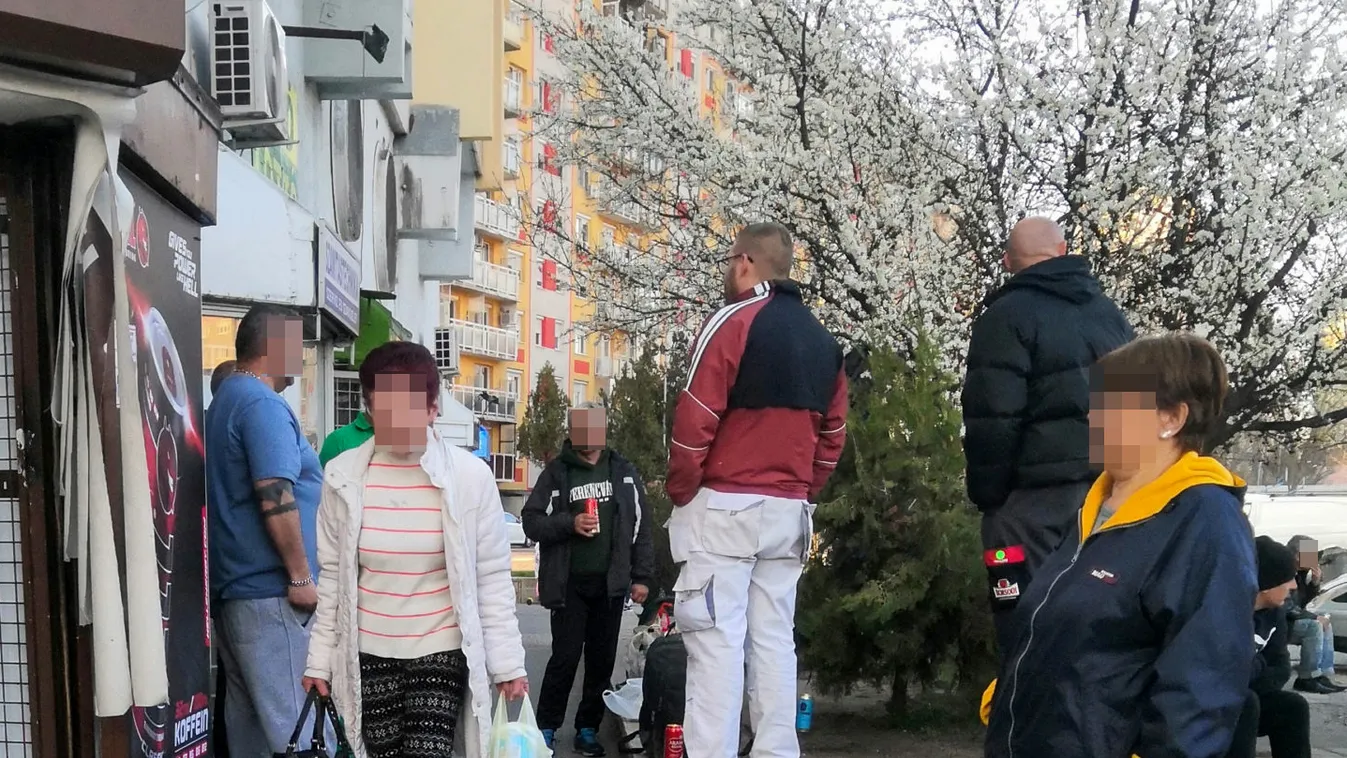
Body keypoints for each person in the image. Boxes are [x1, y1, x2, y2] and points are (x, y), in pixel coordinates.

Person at [982, 333, 1257, 758]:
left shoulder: (1205, 520)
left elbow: (1202, 690)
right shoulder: (1097, 508)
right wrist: (1012, 692)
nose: (1092, 416)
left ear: (1171, 418)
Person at [666, 222, 848, 758]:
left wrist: (684, 490)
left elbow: (695, 417)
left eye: (729, 261)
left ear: (745, 262)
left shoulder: (733, 320)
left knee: (716, 645)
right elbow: (832, 436)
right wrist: (803, 490)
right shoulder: (824, 341)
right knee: (774, 643)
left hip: (725, 503)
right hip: (788, 509)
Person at [302, 341, 529, 758]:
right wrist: (319, 661)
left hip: (440, 648)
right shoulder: (343, 478)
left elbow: (491, 578)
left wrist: (508, 664)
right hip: (369, 650)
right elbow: (333, 577)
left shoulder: (469, 479)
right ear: (369, 409)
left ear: (432, 408)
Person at [963, 217, 1134, 656]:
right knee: (1096, 621)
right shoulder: (1110, 316)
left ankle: (1024, 717)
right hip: (1108, 493)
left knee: (1024, 621)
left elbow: (992, 418)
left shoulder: (1004, 318)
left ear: (1007, 262)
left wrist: (990, 498)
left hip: (1031, 503)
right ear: (1063, 251)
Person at [204, 305, 327, 757]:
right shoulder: (261, 403)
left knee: (252, 732)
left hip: (239, 594)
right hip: (272, 596)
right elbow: (274, 490)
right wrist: (300, 577)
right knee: (300, 731)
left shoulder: (227, 400)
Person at [522, 404, 655, 756]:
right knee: (564, 659)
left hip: (610, 586)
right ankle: (546, 729)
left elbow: (641, 528)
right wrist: (570, 523)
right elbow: (531, 521)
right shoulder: (557, 472)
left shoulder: (622, 471)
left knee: (600, 661)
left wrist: (641, 576)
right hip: (568, 584)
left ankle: (587, 730)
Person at [1227, 536, 1312, 758]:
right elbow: (1221, 673)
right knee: (1247, 703)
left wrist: (1254, 666)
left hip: (1251, 692)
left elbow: (1282, 667)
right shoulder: (1225, 611)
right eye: (1288, 579)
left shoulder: (1275, 613)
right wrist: (1258, 666)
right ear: (1267, 584)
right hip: (1211, 702)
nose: (1294, 586)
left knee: (1293, 706)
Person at [1284, 534, 1344, 693]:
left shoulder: (1300, 573)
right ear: (1297, 555)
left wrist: (1315, 584)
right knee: (1315, 625)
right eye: (1310, 553)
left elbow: (1302, 604)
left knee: (1325, 623)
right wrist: (1314, 618)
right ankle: (1307, 678)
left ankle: (1322, 674)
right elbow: (1287, 606)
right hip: (1279, 622)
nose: (1313, 558)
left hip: (1291, 619)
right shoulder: (1284, 571)